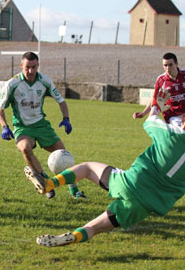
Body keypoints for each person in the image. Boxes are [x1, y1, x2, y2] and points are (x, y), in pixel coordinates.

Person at [31, 95, 185, 247]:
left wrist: (157, 107)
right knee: (93, 228)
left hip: (131, 183)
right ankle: (75, 236)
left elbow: (150, 121)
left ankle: (50, 183)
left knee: (87, 167)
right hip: (147, 205)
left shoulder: (173, 134)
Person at [0, 51, 86, 199]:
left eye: (33, 67)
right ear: (21, 66)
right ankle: (44, 180)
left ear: (38, 65)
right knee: (25, 148)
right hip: (22, 127)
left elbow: (61, 101)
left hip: (41, 126)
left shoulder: (45, 81)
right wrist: (4, 126)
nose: (30, 71)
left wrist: (66, 118)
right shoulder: (12, 84)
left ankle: (75, 191)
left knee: (63, 155)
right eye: (27, 67)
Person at [133, 52, 185, 127]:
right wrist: (144, 113)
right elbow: (155, 99)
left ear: (176, 64)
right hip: (173, 116)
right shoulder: (161, 80)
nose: (168, 68)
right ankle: (151, 125)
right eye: (165, 65)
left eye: (170, 65)